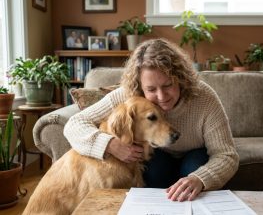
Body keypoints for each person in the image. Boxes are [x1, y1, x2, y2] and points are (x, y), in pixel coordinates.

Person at [63, 38, 239, 202]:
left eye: (168, 85)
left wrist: (200, 179)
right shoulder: (129, 95)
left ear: (181, 79)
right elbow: (75, 124)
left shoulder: (204, 98)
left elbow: (227, 155)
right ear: (140, 86)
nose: (161, 96)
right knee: (153, 169)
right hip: (157, 156)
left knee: (192, 170)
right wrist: (110, 145)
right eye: (151, 89)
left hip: (194, 155)